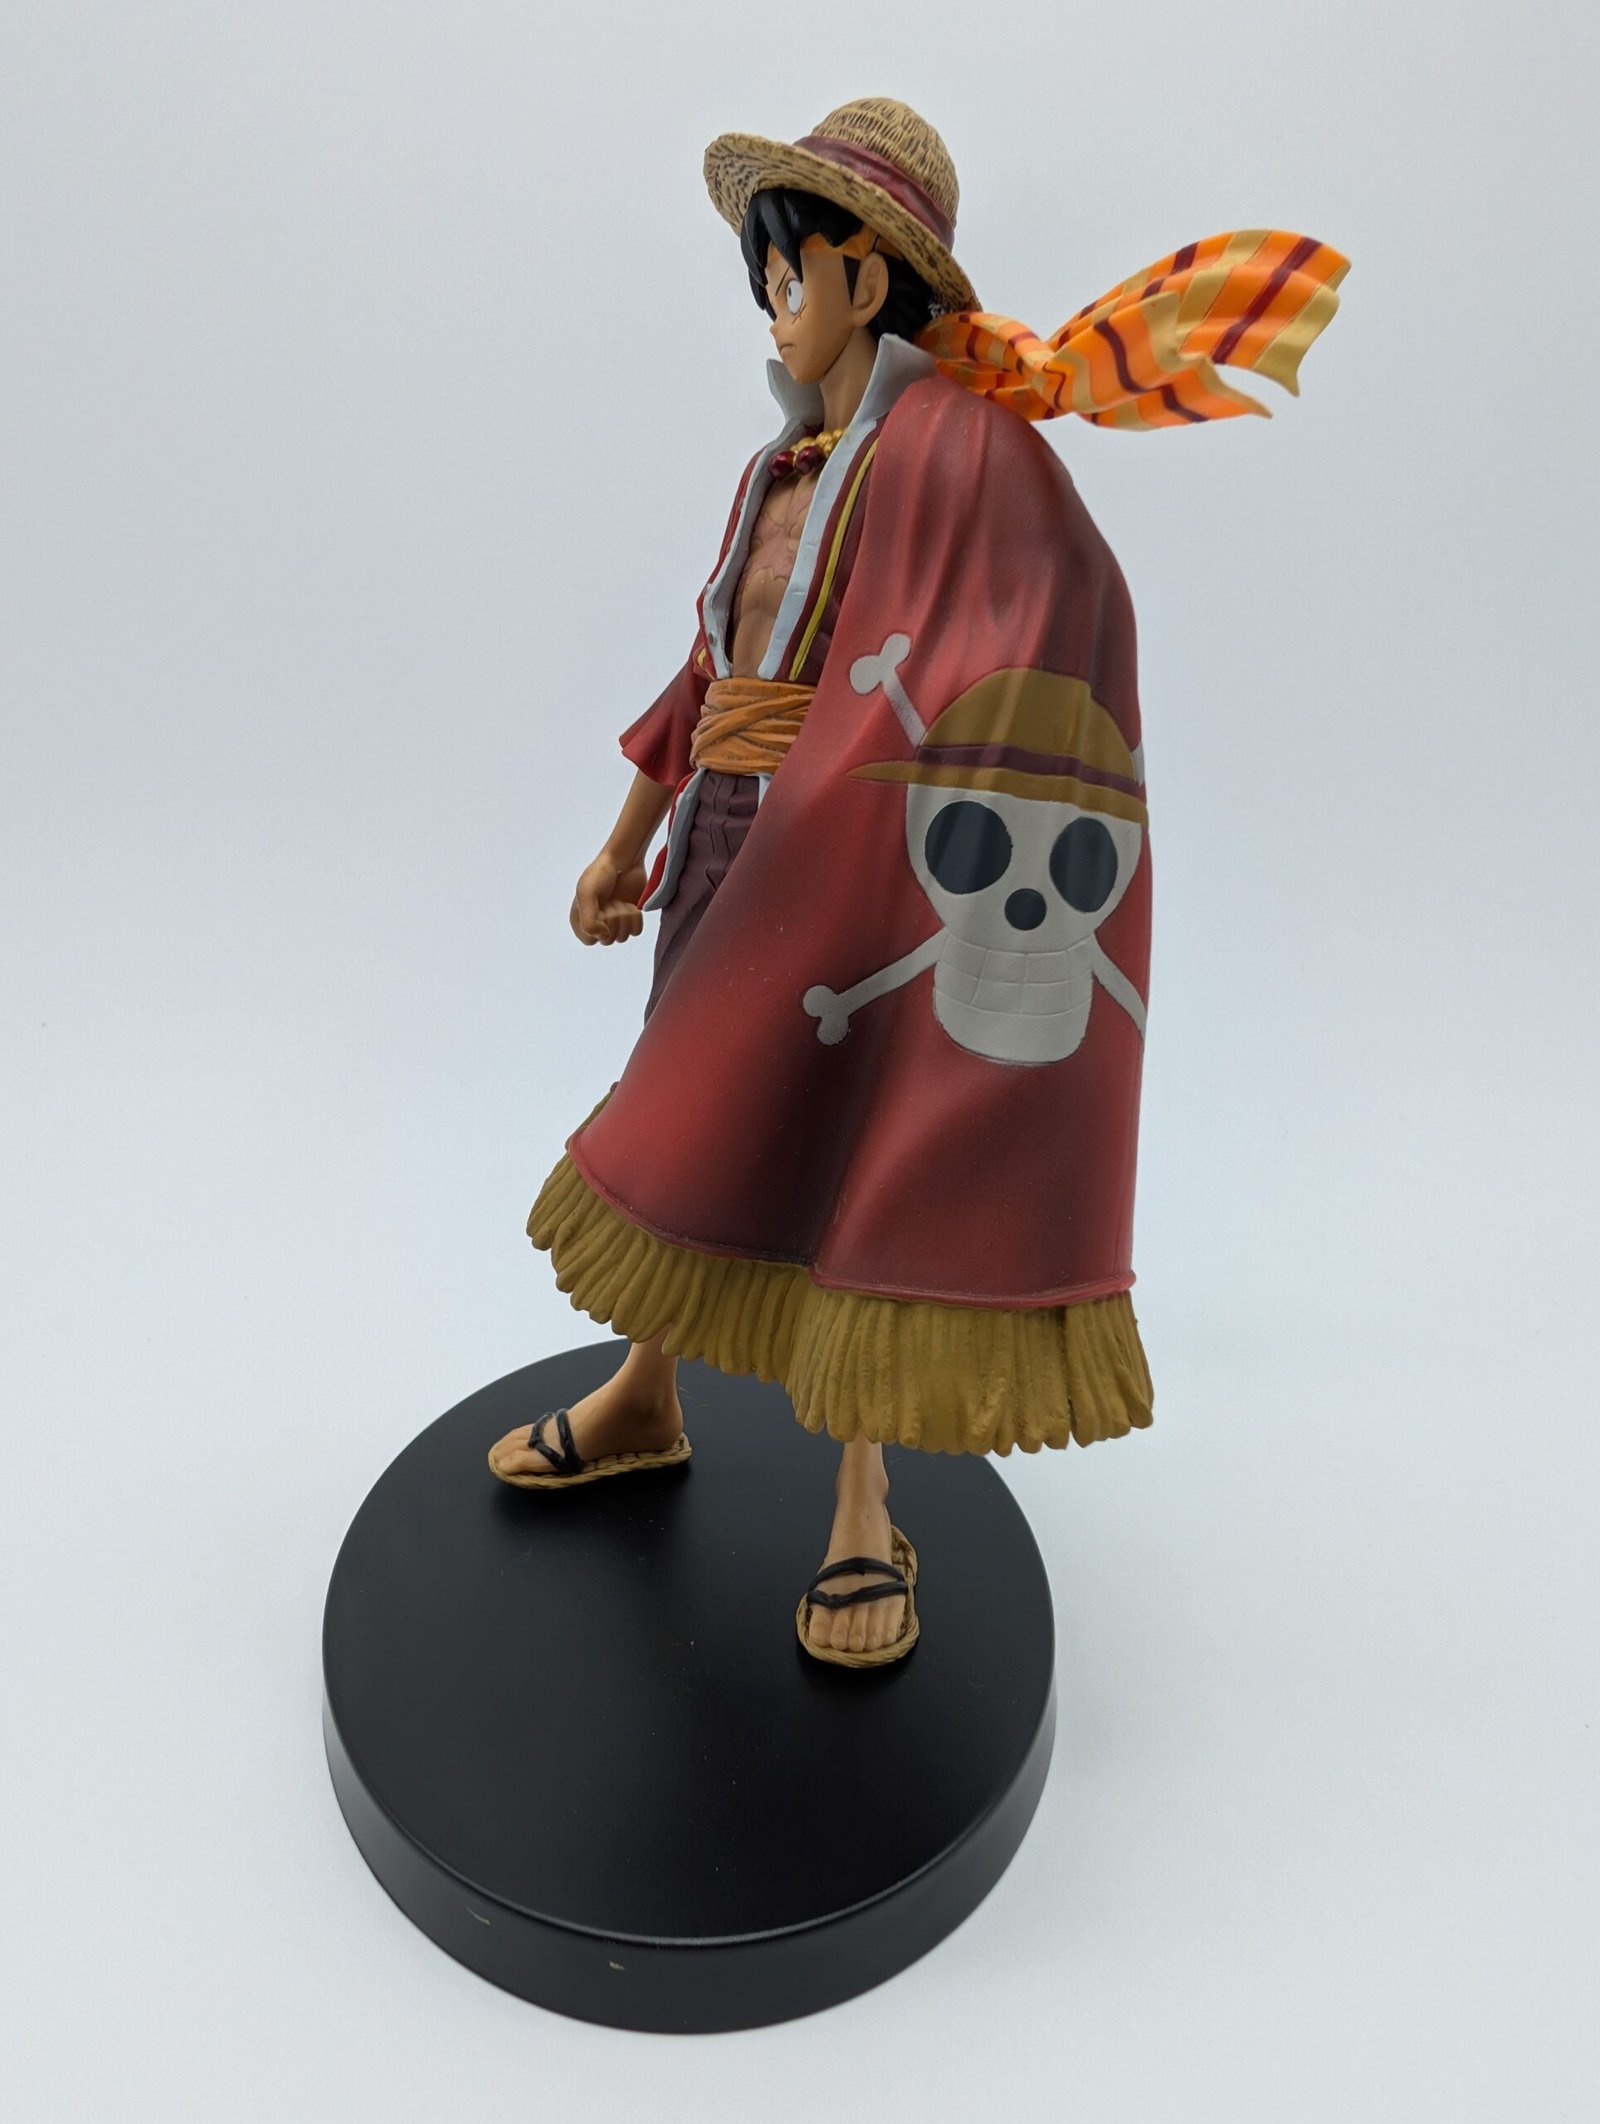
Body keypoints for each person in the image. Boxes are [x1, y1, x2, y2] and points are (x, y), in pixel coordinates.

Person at [487, 97, 1347, 1670]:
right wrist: (627, 838)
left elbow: (1049, 611)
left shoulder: (948, 450)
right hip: (729, 838)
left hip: (854, 853)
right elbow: (708, 670)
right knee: (692, 1104)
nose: (774, 309)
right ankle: (648, 1393)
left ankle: (863, 1499)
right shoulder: (778, 473)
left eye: (791, 278)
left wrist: (887, 795)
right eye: (763, 283)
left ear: (866, 280)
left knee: (848, 1142)